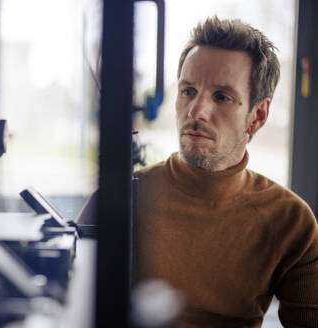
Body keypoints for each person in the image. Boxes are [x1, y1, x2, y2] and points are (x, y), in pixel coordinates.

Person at [78, 17, 318, 327]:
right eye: (188, 91)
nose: (196, 111)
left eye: (221, 97)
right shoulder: (121, 197)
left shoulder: (290, 221)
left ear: (257, 116)